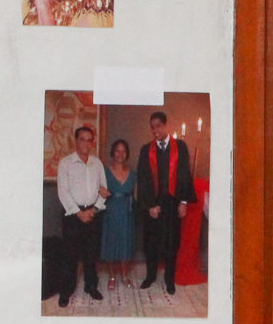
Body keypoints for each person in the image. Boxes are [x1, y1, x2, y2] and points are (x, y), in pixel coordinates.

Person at [136, 110, 197, 294]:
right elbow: (142, 179)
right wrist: (149, 206)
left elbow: (185, 174)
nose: (156, 130)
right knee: (151, 242)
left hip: (172, 203)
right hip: (154, 203)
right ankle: (150, 276)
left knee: (171, 242)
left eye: (159, 126)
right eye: (152, 127)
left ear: (166, 125)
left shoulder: (180, 146)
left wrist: (183, 201)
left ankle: (169, 280)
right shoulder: (146, 150)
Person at [55, 125, 108, 306]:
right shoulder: (65, 163)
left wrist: (92, 211)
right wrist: (79, 213)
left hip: (92, 214)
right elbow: (63, 192)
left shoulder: (97, 164)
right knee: (70, 255)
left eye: (89, 140)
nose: (86, 143)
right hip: (72, 215)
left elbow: (104, 191)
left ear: (92, 142)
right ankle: (66, 291)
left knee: (91, 254)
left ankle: (91, 286)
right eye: (82, 139)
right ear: (76, 141)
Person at [100, 137, 139, 289]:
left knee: (125, 244)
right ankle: (111, 276)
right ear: (113, 152)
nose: (120, 154)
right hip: (110, 211)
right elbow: (97, 189)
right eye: (117, 151)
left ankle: (124, 275)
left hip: (127, 213)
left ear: (127, 154)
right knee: (111, 243)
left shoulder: (133, 173)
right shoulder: (104, 171)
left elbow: (136, 195)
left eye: (123, 151)